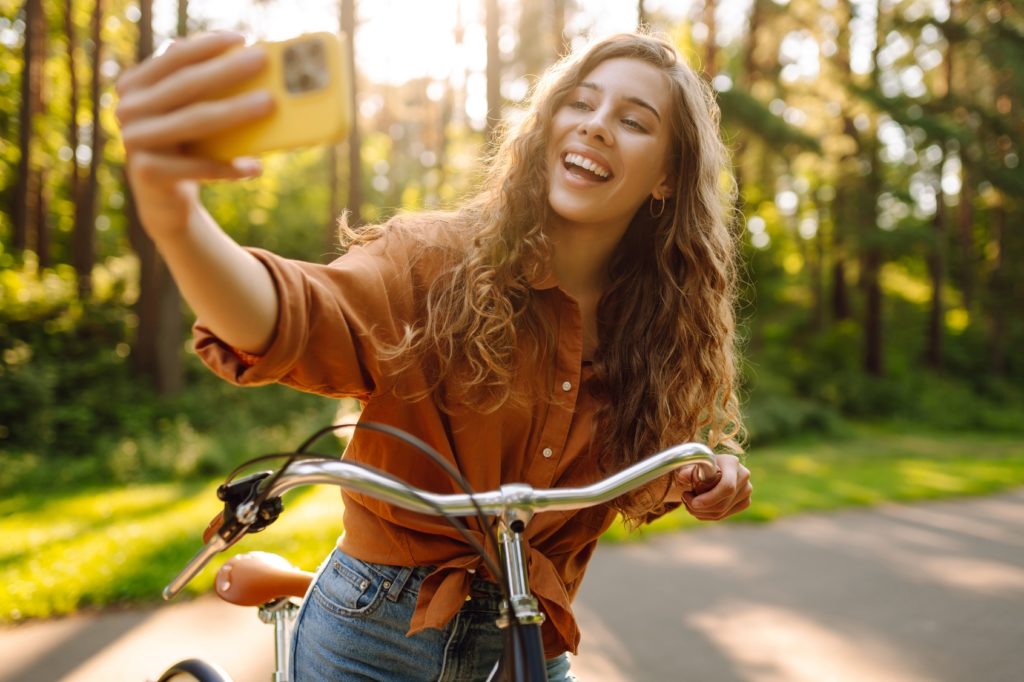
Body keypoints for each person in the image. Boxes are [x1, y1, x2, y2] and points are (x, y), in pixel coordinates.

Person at [115, 29, 753, 682]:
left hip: (530, 644)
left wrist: (700, 475)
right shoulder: (433, 260)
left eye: (633, 121)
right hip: (372, 631)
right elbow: (294, 315)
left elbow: (650, 464)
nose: (595, 127)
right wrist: (177, 219)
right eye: (581, 103)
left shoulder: (657, 324)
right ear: (548, 122)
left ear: (668, 177)